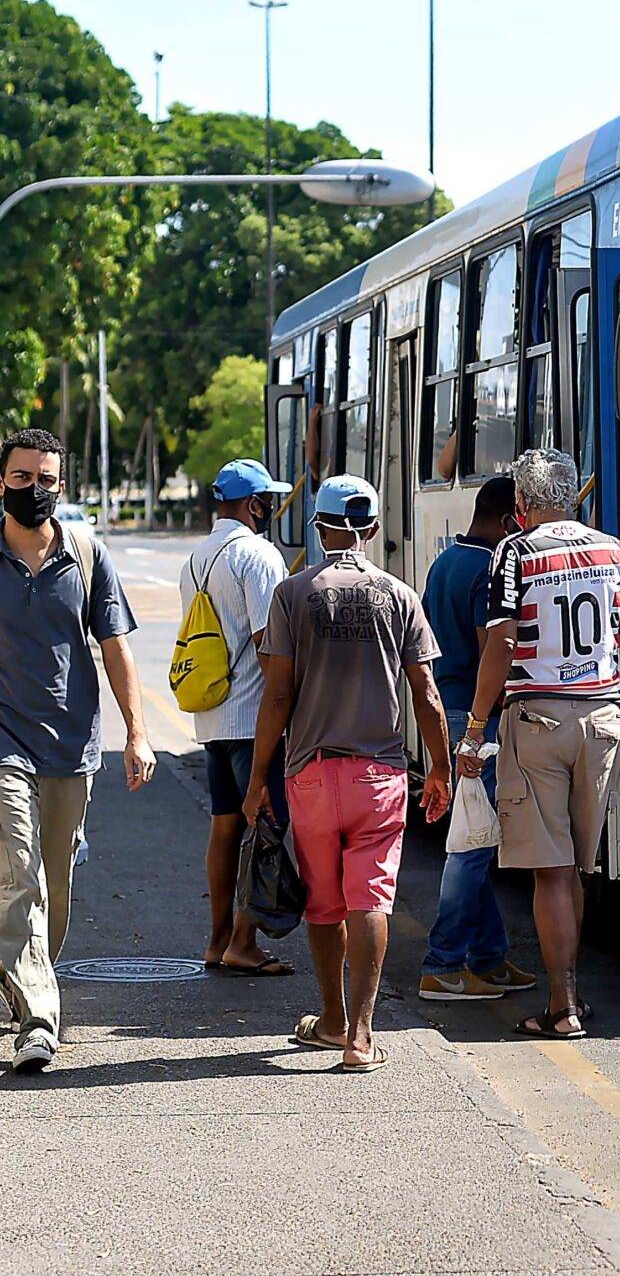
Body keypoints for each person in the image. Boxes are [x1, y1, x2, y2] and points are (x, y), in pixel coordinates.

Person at [245, 475, 451, 1073]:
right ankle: (361, 1037)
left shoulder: (291, 595)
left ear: (319, 527)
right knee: (371, 898)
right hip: (380, 778)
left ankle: (331, 1019)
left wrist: (260, 777)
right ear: (373, 530)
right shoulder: (400, 595)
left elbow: (277, 697)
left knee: (323, 902)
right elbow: (427, 693)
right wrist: (438, 769)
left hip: (310, 775)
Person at [464, 449, 620, 1040]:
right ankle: (572, 995)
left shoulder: (515, 553)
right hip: (600, 719)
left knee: (549, 873)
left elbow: (500, 643)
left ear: (520, 504)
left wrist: (475, 729)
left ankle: (562, 1005)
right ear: (574, 497)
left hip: (536, 721)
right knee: (574, 868)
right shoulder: (613, 551)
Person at [0, 428, 155, 1075]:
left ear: (61, 487)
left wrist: (138, 732)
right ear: (0, 481)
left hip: (70, 747)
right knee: (17, 872)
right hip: (4, 744)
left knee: (53, 889)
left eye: (46, 480)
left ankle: (22, 975)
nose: (34, 489)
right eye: (21, 478)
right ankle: (39, 1018)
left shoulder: (86, 555)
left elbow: (116, 648)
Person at [418, 476, 536, 1002]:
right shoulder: (491, 569)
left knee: (477, 837)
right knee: (469, 847)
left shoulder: (444, 562)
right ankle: (442, 962)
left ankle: (487, 957)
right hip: (477, 719)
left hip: (446, 709)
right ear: (511, 519)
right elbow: (496, 650)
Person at [183, 459, 295, 976]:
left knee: (223, 828)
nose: (269, 508)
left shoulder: (196, 557)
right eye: (266, 500)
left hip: (213, 718)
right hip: (255, 718)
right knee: (266, 826)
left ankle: (215, 939)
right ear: (253, 505)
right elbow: (267, 643)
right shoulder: (258, 555)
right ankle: (244, 942)